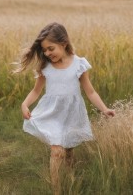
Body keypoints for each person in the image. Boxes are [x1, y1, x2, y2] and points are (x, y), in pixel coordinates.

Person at [14, 22, 115, 195]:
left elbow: (90, 92)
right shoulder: (45, 67)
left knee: (68, 149)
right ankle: (56, 190)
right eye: (44, 50)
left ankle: (70, 178)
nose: (47, 53)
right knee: (57, 150)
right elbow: (36, 90)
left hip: (72, 113)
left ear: (64, 43)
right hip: (52, 113)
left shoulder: (79, 64)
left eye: (50, 48)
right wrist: (24, 104)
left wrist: (104, 109)